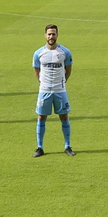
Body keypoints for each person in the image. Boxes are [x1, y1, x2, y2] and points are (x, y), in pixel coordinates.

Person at [32, 24, 74, 157]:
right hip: (44, 90)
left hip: (60, 90)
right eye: (49, 34)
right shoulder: (39, 53)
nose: (51, 36)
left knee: (64, 116)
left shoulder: (64, 52)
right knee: (41, 117)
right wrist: (42, 82)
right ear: (45, 35)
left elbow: (68, 70)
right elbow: (36, 70)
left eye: (53, 34)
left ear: (57, 35)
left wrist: (62, 82)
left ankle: (67, 146)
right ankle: (40, 147)